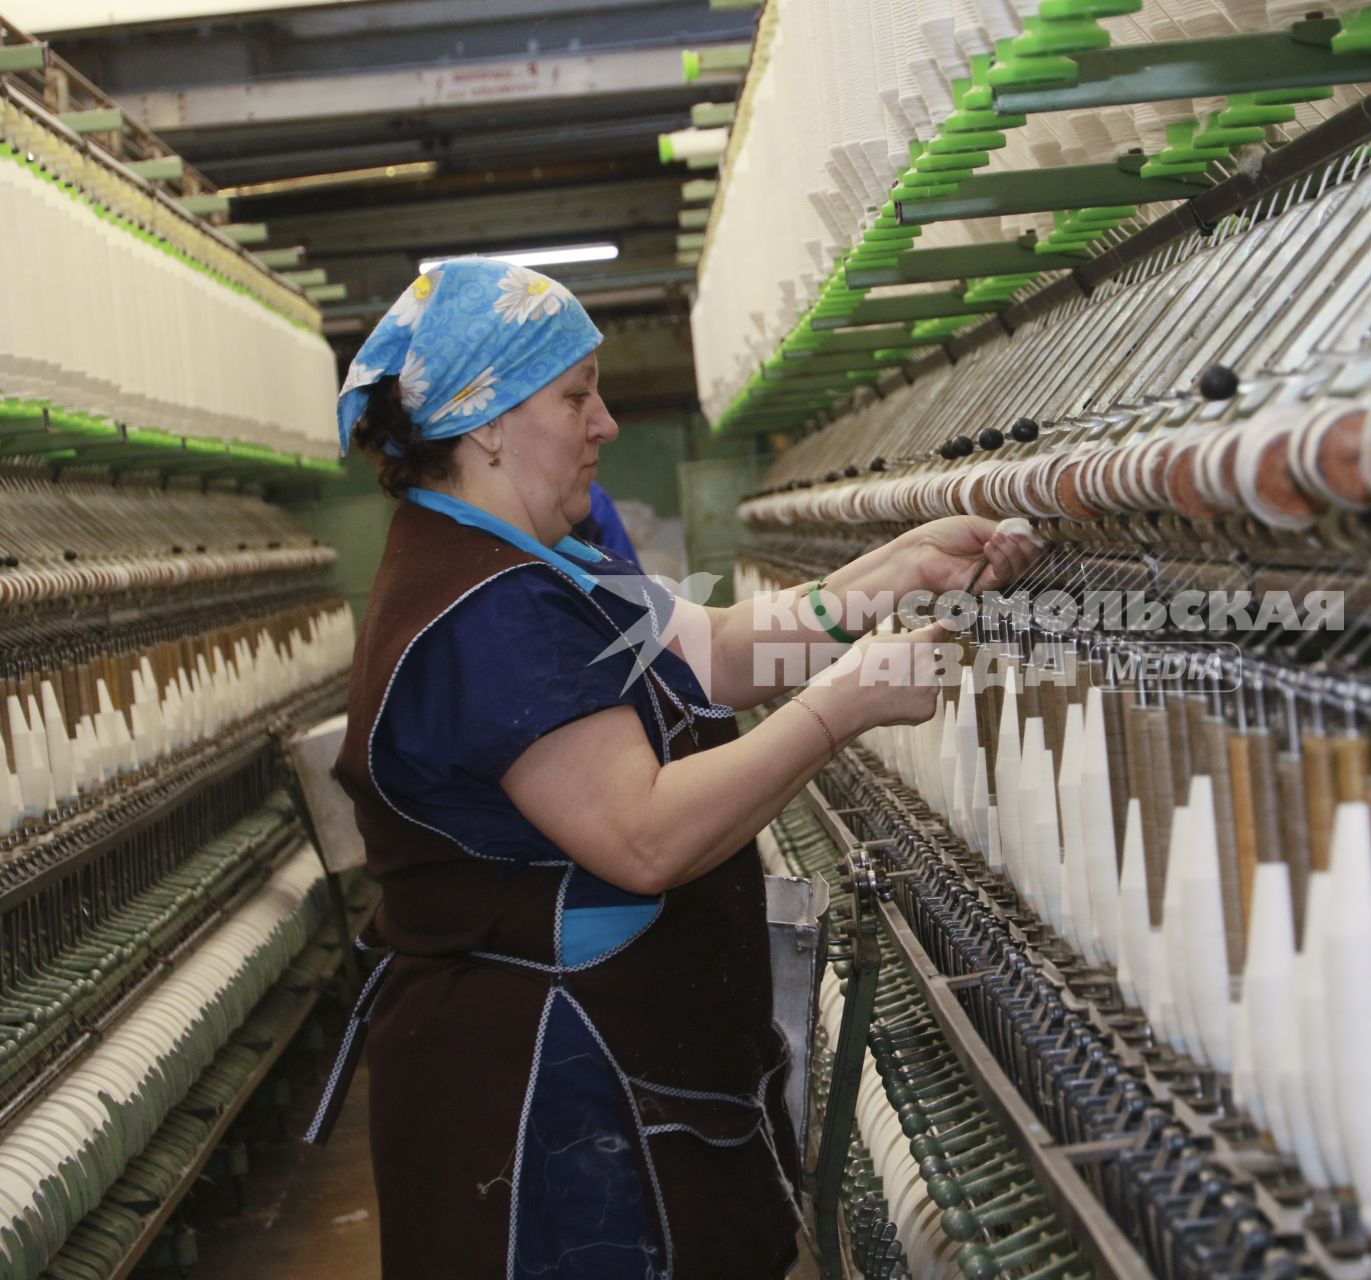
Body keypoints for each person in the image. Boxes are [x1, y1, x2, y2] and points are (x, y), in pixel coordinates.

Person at [309, 258, 1037, 1279]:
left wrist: (897, 570)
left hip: (611, 1061)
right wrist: (843, 705)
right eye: (576, 395)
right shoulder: (485, 610)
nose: (605, 422)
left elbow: (729, 653)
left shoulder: (537, 564)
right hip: (551, 1095)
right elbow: (643, 837)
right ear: (486, 424)